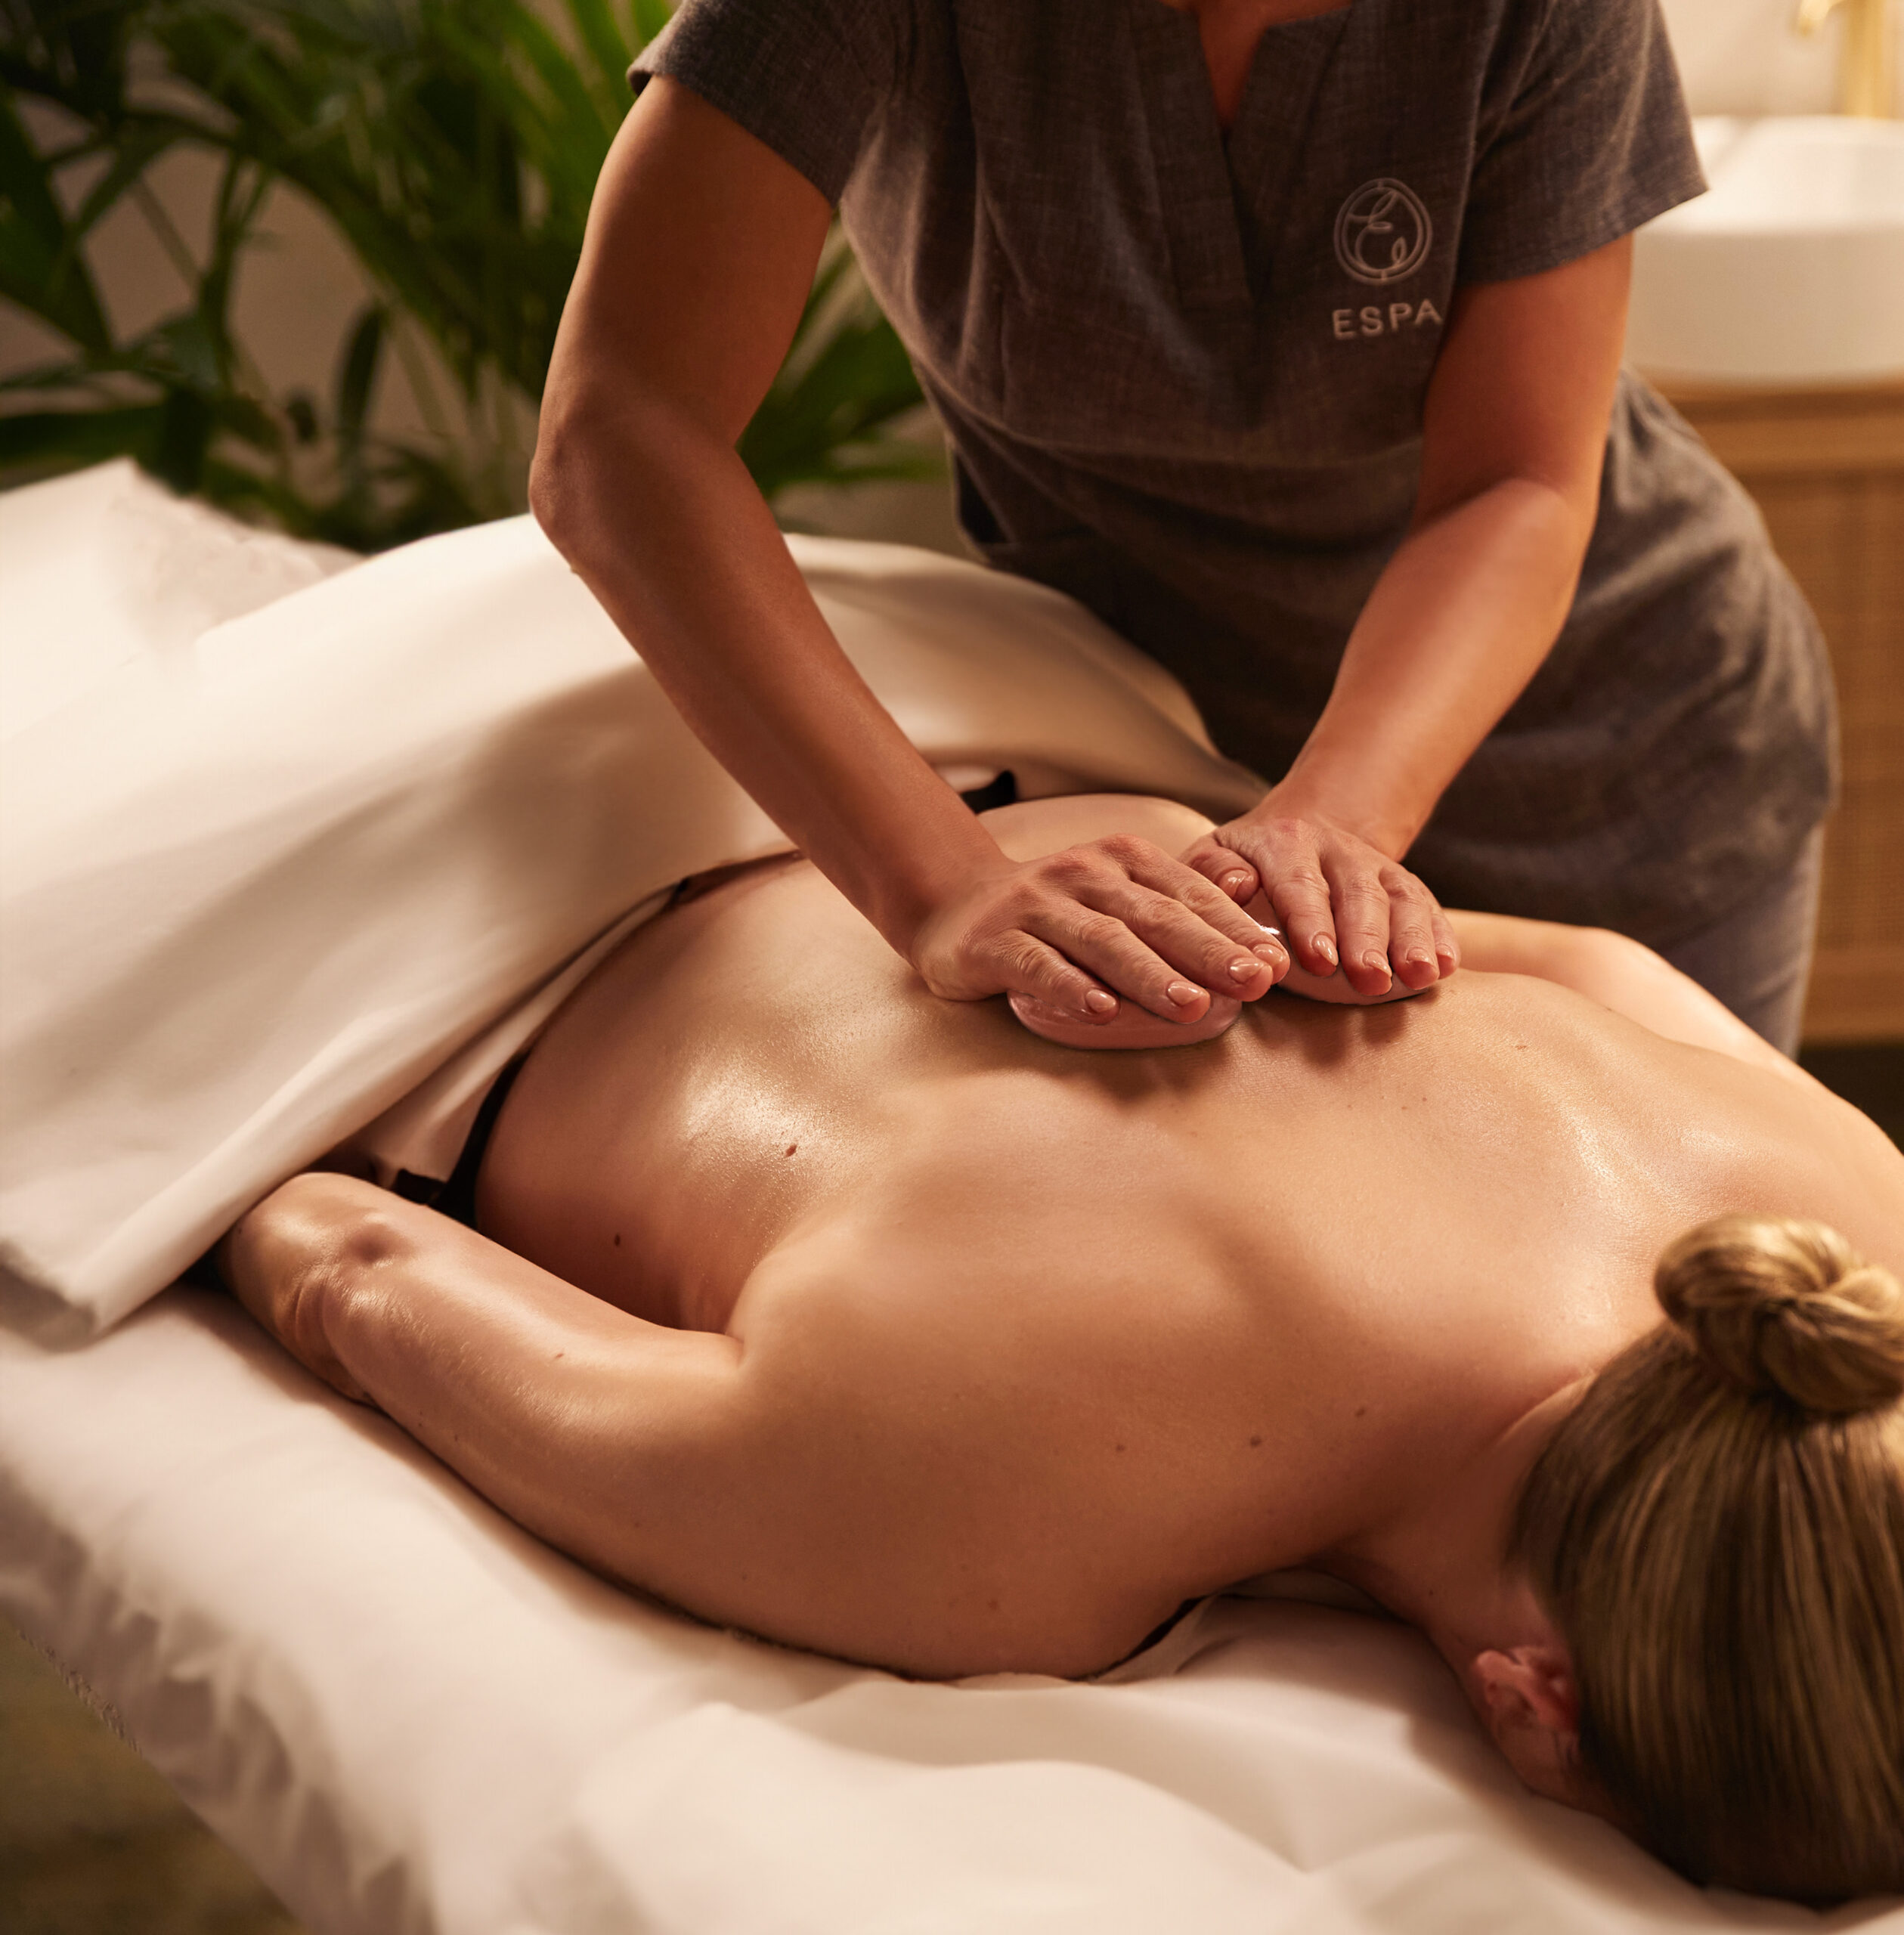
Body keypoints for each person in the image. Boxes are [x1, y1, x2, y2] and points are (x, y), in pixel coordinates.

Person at [221, 793, 1904, 1902]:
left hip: (1011, 718)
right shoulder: (1009, 1519)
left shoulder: (1848, 1221)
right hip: (507, 895)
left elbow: (1592, 962)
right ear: (1540, 1712)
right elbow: (353, 1260)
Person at [528, 0, 1834, 1054]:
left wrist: (1338, 822)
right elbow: (624, 433)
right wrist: (941, 885)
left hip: (1642, 752)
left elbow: (1518, 484)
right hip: (1172, 783)